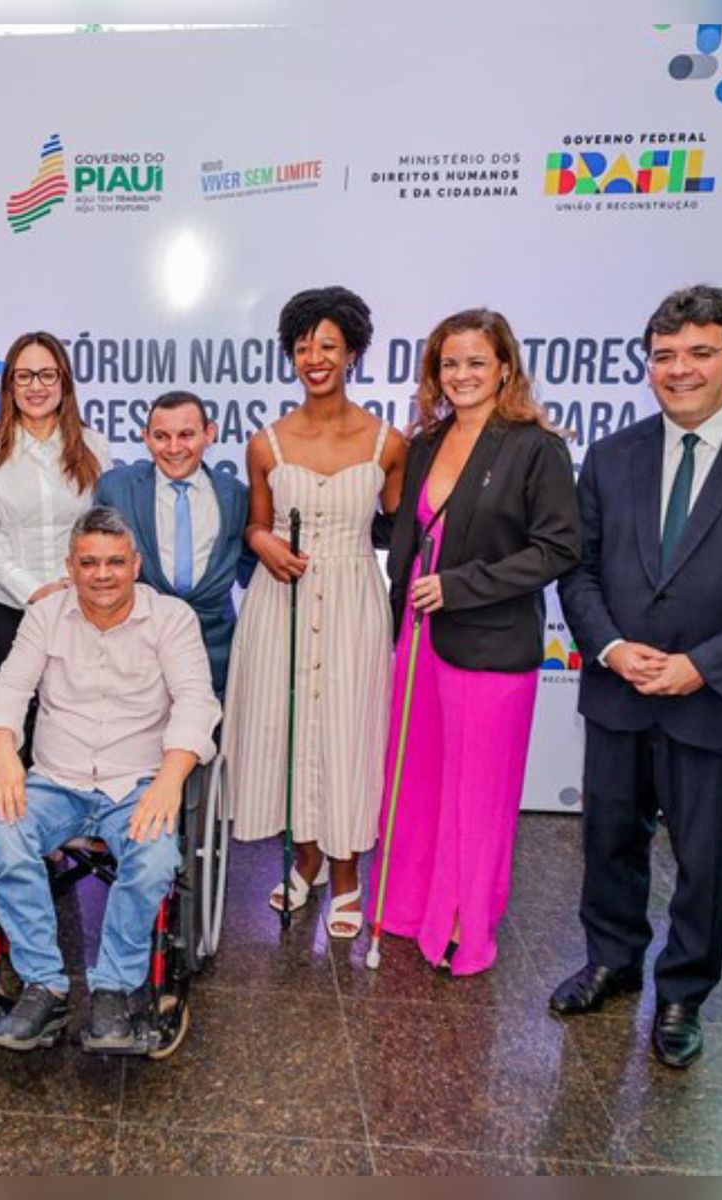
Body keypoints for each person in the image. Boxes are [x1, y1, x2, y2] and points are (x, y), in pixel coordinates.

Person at [553, 285, 722, 1068]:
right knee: (610, 839)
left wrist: (703, 666)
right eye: (664, 355)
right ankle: (612, 960)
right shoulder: (612, 455)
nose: (679, 370)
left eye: (700, 353)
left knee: (706, 859)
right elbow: (578, 570)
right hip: (620, 691)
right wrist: (610, 647)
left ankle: (682, 993)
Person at [370, 309, 581, 976]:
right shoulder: (426, 444)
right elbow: (405, 534)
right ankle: (406, 908)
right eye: (449, 364)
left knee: (476, 794)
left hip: (490, 645)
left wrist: (462, 586)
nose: (461, 375)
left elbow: (558, 548)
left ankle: (462, 922)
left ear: (504, 368)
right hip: (419, 640)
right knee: (415, 782)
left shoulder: (535, 448)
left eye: (476, 362)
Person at [0, 506, 220, 1053]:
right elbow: (10, 687)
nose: (103, 574)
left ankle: (113, 987)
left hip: (136, 784)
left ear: (136, 564)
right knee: (4, 835)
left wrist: (170, 780)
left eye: (115, 561)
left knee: (155, 858)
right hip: (55, 781)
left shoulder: (172, 618)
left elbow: (195, 701)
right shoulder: (46, 615)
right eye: (89, 563)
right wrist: (4, 751)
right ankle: (43, 984)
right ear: (71, 566)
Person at [222, 285, 406, 937]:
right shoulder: (266, 443)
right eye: (302, 347)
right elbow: (255, 525)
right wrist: (262, 542)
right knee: (289, 729)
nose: (315, 358)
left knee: (349, 733)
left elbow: (402, 530)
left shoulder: (388, 443)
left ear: (352, 352)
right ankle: (306, 860)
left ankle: (347, 872)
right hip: (282, 602)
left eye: (328, 345)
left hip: (354, 600)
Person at [0, 331, 109, 762]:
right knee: (18, 724)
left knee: (79, 721)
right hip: (9, 609)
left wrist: (72, 586)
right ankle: (20, 804)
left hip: (80, 605)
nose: (36, 386)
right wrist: (35, 591)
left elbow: (101, 526)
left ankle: (73, 805)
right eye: (24, 375)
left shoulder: (94, 446)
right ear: (9, 384)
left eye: (47, 375)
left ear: (63, 382)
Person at [93, 391, 254, 696]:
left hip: (215, 657)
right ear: (145, 437)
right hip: (133, 656)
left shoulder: (235, 495)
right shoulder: (115, 489)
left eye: (186, 435)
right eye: (161, 436)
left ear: (209, 434)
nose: (174, 448)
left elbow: (251, 571)